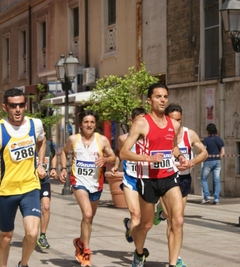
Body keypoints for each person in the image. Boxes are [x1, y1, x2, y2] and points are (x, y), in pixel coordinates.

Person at [119, 82, 189, 267]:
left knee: (178, 220)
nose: (163, 100)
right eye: (158, 97)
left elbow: (172, 147)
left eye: (165, 96)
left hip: (169, 176)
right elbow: (124, 153)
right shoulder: (141, 123)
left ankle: (173, 264)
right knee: (146, 224)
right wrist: (149, 159)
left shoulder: (173, 124)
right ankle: (139, 253)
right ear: (149, 100)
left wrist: (180, 156)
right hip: (147, 179)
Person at [0, 88, 47, 267]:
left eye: (21, 105)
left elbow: (42, 140)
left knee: (32, 233)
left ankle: (23, 264)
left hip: (30, 188)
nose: (18, 109)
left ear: (26, 105)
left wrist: (41, 163)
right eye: (13, 106)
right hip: (7, 191)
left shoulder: (35, 125)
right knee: (6, 236)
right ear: (5, 107)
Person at [59, 110, 116, 267]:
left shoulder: (102, 140)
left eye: (92, 122)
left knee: (89, 219)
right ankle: (86, 252)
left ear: (95, 124)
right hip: (78, 182)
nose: (89, 125)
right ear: (80, 124)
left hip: (96, 184)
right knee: (87, 213)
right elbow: (63, 152)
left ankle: (80, 243)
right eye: (86, 122)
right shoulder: (73, 139)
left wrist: (105, 159)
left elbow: (113, 157)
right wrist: (63, 168)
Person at [153, 103, 208, 266]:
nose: (176, 123)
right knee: (172, 220)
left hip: (183, 179)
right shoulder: (161, 134)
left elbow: (204, 152)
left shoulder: (189, 134)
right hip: (166, 178)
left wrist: (191, 162)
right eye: (173, 120)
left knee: (178, 220)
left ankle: (161, 214)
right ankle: (175, 259)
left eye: (179, 120)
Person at [110, 108, 147, 245]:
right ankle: (139, 253)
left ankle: (129, 226)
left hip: (147, 179)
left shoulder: (149, 137)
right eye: (139, 119)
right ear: (132, 121)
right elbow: (119, 152)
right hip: (130, 179)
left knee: (145, 220)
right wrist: (116, 165)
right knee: (136, 214)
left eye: (144, 119)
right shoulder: (122, 139)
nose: (142, 123)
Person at [36, 136, 58, 249]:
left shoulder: (49, 144)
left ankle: (42, 236)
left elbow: (54, 155)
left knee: (46, 207)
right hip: (30, 183)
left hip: (44, 181)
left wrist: (53, 168)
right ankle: (31, 233)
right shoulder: (28, 143)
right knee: (33, 210)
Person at [200, 123, 225, 205]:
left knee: (204, 179)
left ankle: (206, 197)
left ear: (208, 131)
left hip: (208, 161)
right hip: (217, 161)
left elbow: (204, 151)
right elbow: (223, 153)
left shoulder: (206, 140)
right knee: (217, 181)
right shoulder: (220, 140)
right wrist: (219, 157)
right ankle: (216, 199)